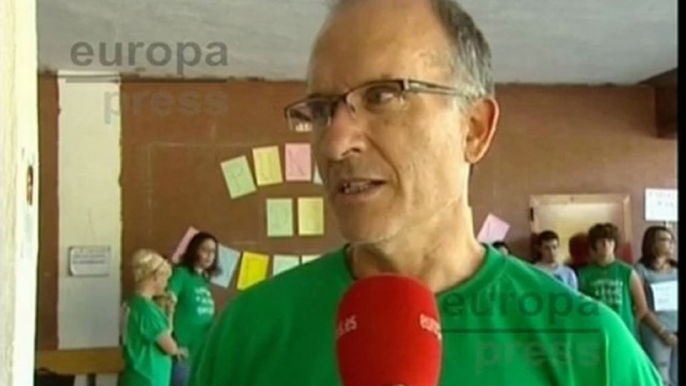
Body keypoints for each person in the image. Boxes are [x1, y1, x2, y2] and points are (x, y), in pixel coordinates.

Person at [189, 0, 662, 385]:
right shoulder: (246, 335)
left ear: (474, 129)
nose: (334, 142)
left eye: (382, 96)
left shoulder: (591, 348)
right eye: (321, 109)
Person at [578, 223, 660, 340]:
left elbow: (641, 307)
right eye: (601, 242)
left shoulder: (627, 272)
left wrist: (630, 324)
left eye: (610, 241)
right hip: (596, 331)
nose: (606, 245)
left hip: (623, 331)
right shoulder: (583, 274)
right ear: (594, 245)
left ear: (615, 244)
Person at [120, 249, 187, 386]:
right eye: (166, 279)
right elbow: (169, 346)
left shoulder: (133, 304)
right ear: (155, 277)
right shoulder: (147, 310)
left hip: (134, 375)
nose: (167, 284)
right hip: (148, 378)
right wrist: (179, 350)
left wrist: (168, 312)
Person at [166, 231, 220, 386]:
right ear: (194, 250)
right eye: (204, 250)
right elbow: (167, 303)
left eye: (213, 252)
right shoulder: (181, 274)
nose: (209, 255)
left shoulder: (204, 280)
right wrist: (172, 341)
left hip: (201, 353)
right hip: (183, 353)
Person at [636, 226, 679, 386]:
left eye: (671, 240)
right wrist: (663, 332)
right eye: (664, 240)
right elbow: (641, 307)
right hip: (656, 331)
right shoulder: (641, 270)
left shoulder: (676, 269)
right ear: (652, 243)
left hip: (677, 329)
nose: (670, 244)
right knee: (660, 377)